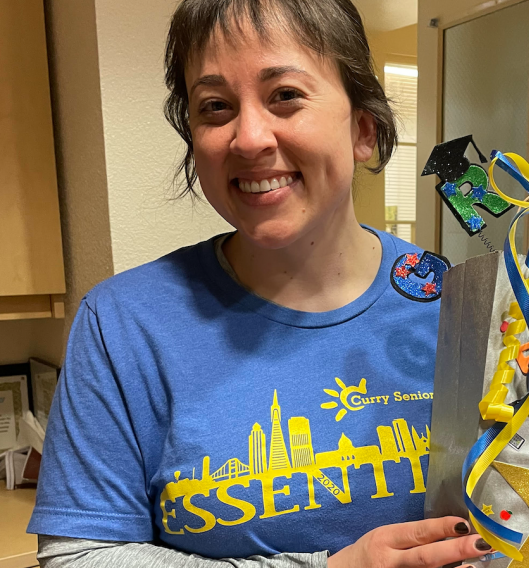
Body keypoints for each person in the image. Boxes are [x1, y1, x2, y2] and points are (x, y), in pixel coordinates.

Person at [28, 0, 489, 566]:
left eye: (285, 96)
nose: (248, 139)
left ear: (363, 129)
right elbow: (78, 557)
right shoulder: (122, 325)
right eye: (215, 107)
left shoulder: (466, 307)